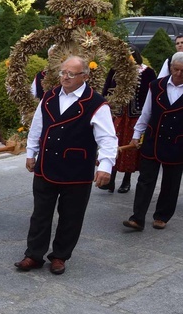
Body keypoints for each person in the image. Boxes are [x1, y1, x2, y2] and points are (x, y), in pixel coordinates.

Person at [15, 56, 118, 275]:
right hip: (46, 164)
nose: (65, 77)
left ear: (85, 76)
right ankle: (33, 254)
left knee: (71, 216)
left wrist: (105, 166)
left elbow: (108, 138)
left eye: (71, 74)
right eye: (63, 72)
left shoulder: (96, 103)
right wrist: (30, 153)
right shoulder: (50, 96)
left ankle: (60, 256)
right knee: (40, 214)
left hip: (76, 169)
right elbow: (37, 126)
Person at [123, 52, 183, 232]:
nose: (179, 74)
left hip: (178, 142)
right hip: (153, 138)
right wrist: (136, 135)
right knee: (145, 180)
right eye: (176, 69)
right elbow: (146, 112)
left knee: (171, 183)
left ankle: (162, 216)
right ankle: (137, 218)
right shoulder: (156, 85)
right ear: (170, 67)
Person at [99, 46, 156, 193]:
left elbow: (150, 95)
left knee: (130, 146)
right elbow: (107, 89)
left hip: (135, 115)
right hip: (118, 113)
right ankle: (110, 178)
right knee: (113, 142)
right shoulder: (115, 71)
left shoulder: (147, 72)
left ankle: (127, 180)